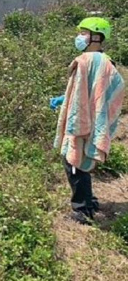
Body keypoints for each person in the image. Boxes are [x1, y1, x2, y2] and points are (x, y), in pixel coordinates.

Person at [51, 17, 125, 224]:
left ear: (96, 37)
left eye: (84, 33)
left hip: (83, 120)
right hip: (92, 118)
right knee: (82, 162)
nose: (79, 36)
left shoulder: (86, 60)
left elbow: (86, 91)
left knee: (73, 162)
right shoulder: (104, 60)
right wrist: (65, 99)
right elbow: (94, 91)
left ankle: (82, 211)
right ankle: (90, 201)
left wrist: (79, 113)